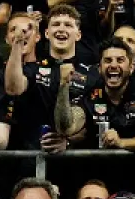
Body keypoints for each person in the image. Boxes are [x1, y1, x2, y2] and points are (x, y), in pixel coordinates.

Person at [6, 10, 93, 154]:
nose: (61, 29)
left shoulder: (91, 74)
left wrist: (69, 141)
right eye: (56, 24)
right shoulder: (33, 69)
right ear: (47, 33)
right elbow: (13, 88)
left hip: (74, 160)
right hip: (33, 156)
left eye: (68, 25)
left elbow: (93, 122)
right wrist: (18, 42)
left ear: (78, 35)